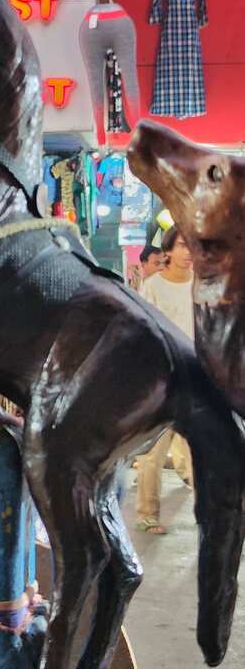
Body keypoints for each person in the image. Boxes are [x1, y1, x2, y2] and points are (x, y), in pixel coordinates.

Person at [136, 226, 194, 534]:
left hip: (199, 378)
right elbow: (146, 331)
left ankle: (214, 515)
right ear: (168, 250)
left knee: (205, 450)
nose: (189, 254)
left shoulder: (200, 284)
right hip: (163, 379)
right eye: (184, 246)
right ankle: (147, 514)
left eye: (193, 247)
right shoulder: (154, 286)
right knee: (153, 452)